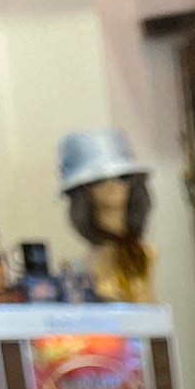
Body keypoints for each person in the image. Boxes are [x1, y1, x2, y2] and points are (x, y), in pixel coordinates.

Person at [58, 127, 155, 302]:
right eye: (98, 180)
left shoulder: (145, 256)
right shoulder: (80, 268)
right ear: (81, 192)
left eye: (122, 177)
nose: (112, 185)